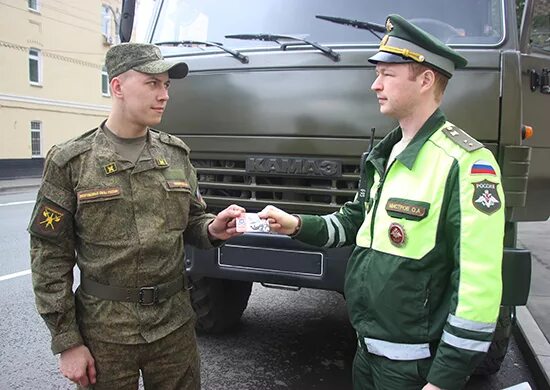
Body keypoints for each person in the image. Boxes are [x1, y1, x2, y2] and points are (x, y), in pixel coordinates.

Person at [259, 14, 504, 390]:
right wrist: (295, 224)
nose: (375, 85)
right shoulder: (386, 152)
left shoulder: (467, 163)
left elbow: (478, 285)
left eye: (388, 74)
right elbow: (357, 219)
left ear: (425, 80)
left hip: (415, 367)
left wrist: (444, 379)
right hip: (366, 351)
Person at [28, 42, 245, 389]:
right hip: (106, 332)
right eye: (152, 84)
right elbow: (49, 257)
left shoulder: (175, 154)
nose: (164, 96)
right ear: (117, 87)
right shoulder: (72, 162)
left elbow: (192, 221)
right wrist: (67, 341)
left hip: (174, 327)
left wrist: (213, 229)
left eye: (166, 85)